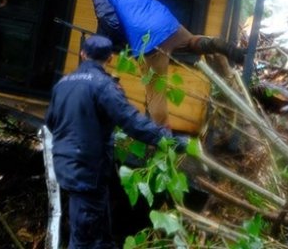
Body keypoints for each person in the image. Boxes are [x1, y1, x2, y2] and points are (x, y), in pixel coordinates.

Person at [45, 35, 185, 249]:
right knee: (83, 238)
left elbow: (51, 122)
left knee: (101, 235)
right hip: (88, 171)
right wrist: (169, 140)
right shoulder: (104, 86)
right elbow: (132, 122)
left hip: (66, 165)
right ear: (110, 58)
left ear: (83, 54)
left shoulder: (62, 84)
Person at [93, 0, 244, 126]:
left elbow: (106, 18)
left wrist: (122, 39)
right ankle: (214, 43)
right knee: (192, 43)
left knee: (156, 94)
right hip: (167, 22)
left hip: (147, 40)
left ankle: (164, 140)